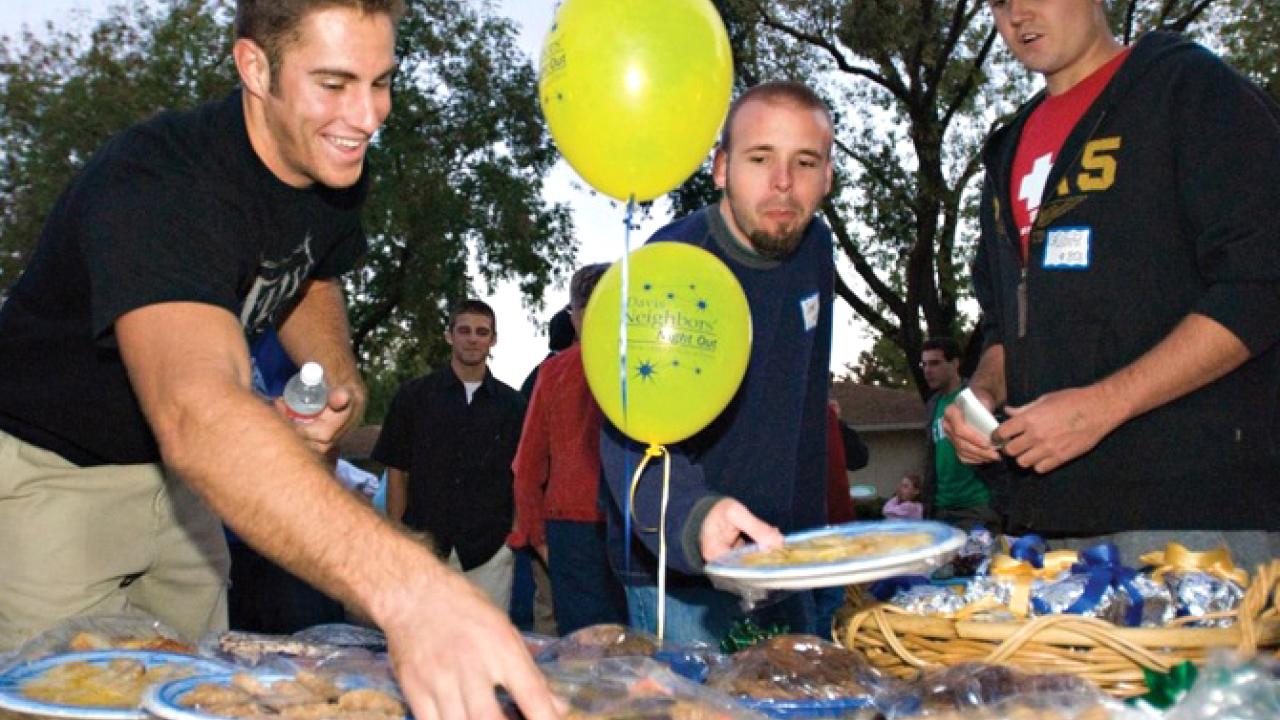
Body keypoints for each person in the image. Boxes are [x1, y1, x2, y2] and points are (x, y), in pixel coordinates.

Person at [0, 3, 559, 718]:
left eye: (382, 81)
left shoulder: (333, 167)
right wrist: (414, 590)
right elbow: (198, 414)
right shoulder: (161, 181)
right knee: (59, 701)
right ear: (254, 68)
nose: (367, 115)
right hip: (57, 480)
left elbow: (310, 271)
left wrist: (340, 379)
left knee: (198, 694)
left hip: (183, 492)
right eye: (334, 83)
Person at [945, 0, 1280, 568]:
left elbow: (1260, 284)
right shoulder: (1008, 147)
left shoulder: (1185, 87)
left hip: (1193, 523)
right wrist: (981, 393)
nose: (1017, 14)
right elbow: (1006, 324)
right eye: (999, 1)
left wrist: (1103, 406)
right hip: (1044, 528)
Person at [600, 81, 836, 643]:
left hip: (785, 559)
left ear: (827, 177)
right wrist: (694, 517)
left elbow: (804, 413)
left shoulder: (815, 250)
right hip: (681, 570)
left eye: (804, 162)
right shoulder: (668, 266)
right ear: (722, 167)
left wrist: (809, 542)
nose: (783, 183)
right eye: (760, 159)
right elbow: (625, 431)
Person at [373, 300, 526, 611]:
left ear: (493, 340)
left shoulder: (514, 406)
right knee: (419, 639)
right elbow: (396, 469)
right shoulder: (414, 397)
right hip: (424, 545)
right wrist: (398, 534)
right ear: (449, 335)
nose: (472, 339)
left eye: (482, 332)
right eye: (464, 330)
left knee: (487, 647)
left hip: (490, 549)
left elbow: (522, 474)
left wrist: (512, 535)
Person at [510, 263, 629, 636]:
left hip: (571, 526)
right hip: (640, 520)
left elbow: (527, 466)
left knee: (585, 649)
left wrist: (534, 535)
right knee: (641, 641)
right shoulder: (647, 366)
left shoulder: (556, 371)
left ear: (578, 312)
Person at [920, 337, 1001, 531]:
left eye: (935, 363)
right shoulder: (933, 405)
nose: (927, 370)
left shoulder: (977, 399)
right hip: (941, 508)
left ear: (955, 363)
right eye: (924, 364)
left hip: (977, 505)